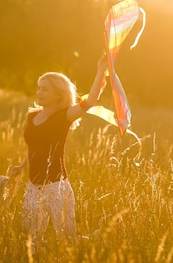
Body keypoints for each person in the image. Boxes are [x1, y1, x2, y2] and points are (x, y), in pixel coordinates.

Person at [9, 57, 107, 252]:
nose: (39, 92)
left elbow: (90, 102)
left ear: (59, 95)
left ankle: (92, 244)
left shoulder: (64, 117)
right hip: (33, 187)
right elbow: (35, 148)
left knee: (67, 239)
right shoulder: (32, 116)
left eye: (45, 89)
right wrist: (22, 167)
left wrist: (100, 71)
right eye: (38, 88)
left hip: (56, 187)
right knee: (30, 240)